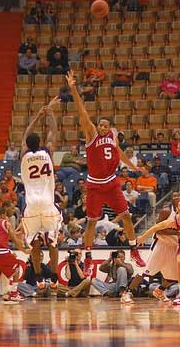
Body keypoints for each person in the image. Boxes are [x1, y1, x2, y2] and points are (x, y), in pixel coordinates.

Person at [66, 70, 145, 270]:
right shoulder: (92, 134)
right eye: (100, 124)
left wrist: (134, 167)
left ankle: (134, 249)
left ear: (109, 127)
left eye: (105, 125)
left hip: (111, 182)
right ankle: (88, 257)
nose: (102, 127)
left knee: (126, 216)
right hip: (94, 184)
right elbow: (82, 112)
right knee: (92, 222)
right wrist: (74, 89)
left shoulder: (113, 136)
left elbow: (119, 153)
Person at [20, 97, 61, 291]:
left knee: (35, 243)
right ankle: (53, 276)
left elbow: (26, 133)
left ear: (28, 144)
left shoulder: (24, 155)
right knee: (52, 242)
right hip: (47, 203)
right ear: (41, 143)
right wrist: (50, 112)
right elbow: (54, 132)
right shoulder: (48, 152)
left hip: (31, 205)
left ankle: (38, 278)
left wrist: (37, 115)